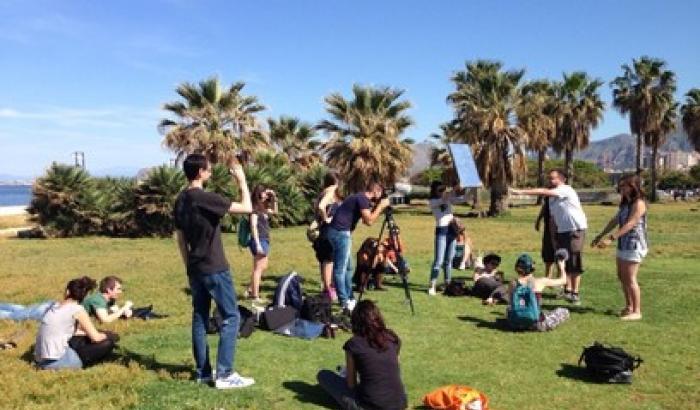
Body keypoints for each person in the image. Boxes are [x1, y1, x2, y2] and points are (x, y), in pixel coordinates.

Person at [173, 153, 255, 389]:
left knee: (199, 317)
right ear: (200, 172)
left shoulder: (180, 200)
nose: (210, 171)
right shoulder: (205, 198)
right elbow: (247, 207)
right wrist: (241, 180)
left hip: (195, 267)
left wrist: (188, 265)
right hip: (214, 267)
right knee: (231, 316)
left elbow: (180, 238)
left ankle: (203, 373)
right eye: (208, 168)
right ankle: (225, 374)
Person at [510, 169, 588, 305]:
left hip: (575, 230)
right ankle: (567, 290)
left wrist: (520, 192)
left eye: (554, 179)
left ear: (562, 179)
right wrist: (553, 238)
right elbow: (552, 220)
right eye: (549, 179)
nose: (551, 181)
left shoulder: (565, 189)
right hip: (562, 231)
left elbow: (543, 191)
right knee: (563, 260)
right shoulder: (552, 198)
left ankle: (575, 293)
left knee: (574, 261)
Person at [317, 300, 408, 410]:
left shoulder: (354, 344)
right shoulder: (392, 338)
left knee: (323, 375)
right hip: (400, 402)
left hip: (370, 405)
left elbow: (351, 384)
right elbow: (394, 368)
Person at [591, 175, 648, 321]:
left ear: (633, 187)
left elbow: (630, 223)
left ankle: (637, 311)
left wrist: (611, 239)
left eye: (625, 186)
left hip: (634, 244)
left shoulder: (639, 203)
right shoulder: (625, 204)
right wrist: (600, 235)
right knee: (622, 277)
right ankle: (629, 306)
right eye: (621, 186)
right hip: (624, 243)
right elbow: (615, 221)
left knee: (630, 278)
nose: (621, 189)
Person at [327, 181, 390, 311]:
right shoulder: (362, 199)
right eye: (381, 193)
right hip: (340, 234)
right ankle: (344, 301)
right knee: (341, 270)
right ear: (376, 191)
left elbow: (366, 216)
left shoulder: (359, 198)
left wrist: (378, 206)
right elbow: (369, 221)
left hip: (339, 233)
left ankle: (350, 298)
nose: (381, 196)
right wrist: (381, 206)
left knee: (349, 268)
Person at [34, 277, 117, 370]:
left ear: (67, 292)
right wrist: (108, 335)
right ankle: (83, 363)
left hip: (39, 358)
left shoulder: (54, 306)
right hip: (57, 362)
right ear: (84, 296)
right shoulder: (77, 310)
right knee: (108, 343)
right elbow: (96, 338)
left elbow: (68, 331)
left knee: (83, 338)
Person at [507, 254, 570, 331]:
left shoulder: (512, 283)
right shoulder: (540, 281)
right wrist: (562, 267)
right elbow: (563, 281)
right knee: (564, 311)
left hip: (515, 324)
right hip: (537, 324)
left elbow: (510, 304)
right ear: (532, 268)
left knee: (509, 308)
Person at [427, 181, 467, 295]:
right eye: (440, 190)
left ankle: (447, 283)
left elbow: (464, 199)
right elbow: (445, 198)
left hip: (451, 230)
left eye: (444, 189)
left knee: (449, 260)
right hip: (441, 230)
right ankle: (432, 285)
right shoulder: (433, 201)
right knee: (438, 260)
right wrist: (455, 188)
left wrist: (471, 187)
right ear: (434, 191)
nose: (443, 192)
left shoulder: (447, 198)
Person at [245, 185, 278, 303]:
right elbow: (253, 227)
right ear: (258, 195)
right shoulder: (254, 210)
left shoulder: (263, 209)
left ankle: (250, 289)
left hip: (265, 240)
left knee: (262, 266)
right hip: (259, 240)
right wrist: (258, 244)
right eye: (263, 193)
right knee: (258, 268)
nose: (265, 195)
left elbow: (275, 211)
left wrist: (274, 197)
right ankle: (254, 296)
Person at [313, 172, 342, 301]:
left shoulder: (321, 193)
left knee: (324, 260)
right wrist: (326, 219)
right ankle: (328, 289)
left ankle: (325, 288)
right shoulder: (331, 192)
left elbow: (316, 208)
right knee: (329, 260)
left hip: (321, 232)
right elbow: (320, 207)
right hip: (328, 230)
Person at [535, 196, 558, 278]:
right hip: (548, 228)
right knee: (548, 254)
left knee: (559, 254)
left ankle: (561, 278)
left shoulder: (562, 193)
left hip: (560, 228)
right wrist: (539, 219)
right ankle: (548, 277)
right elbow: (545, 206)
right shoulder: (548, 195)